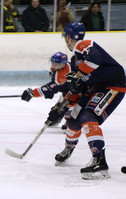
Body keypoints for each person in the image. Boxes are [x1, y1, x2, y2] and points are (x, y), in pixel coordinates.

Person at [50, 22, 125, 180]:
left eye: (66, 37)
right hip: (95, 89)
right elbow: (77, 90)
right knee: (73, 119)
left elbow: (95, 59)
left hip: (112, 86)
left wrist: (77, 77)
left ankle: (99, 159)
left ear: (69, 37)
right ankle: (68, 149)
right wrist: (62, 106)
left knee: (88, 116)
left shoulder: (83, 44)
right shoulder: (74, 60)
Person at [21, 52, 75, 128]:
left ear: (62, 65)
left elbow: (50, 88)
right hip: (69, 90)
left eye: (55, 64)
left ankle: (71, 122)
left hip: (76, 92)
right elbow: (56, 87)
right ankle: (60, 118)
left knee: (67, 105)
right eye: (52, 63)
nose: (53, 65)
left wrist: (33, 93)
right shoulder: (61, 68)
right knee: (58, 108)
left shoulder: (63, 74)